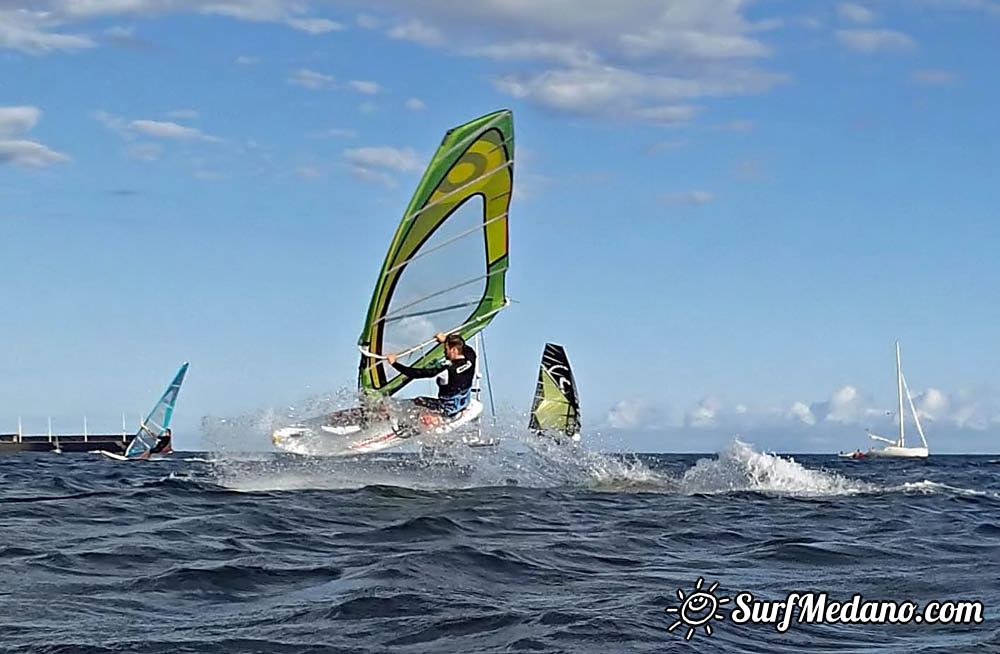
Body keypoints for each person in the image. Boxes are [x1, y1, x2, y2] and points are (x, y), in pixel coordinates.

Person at [387, 332, 476, 425]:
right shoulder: (470, 359)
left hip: (447, 409)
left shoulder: (446, 371)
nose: (444, 352)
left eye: (446, 349)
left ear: (453, 350)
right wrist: (445, 340)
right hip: (464, 403)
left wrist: (394, 363)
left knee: (419, 400)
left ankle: (407, 423)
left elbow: (416, 374)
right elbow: (465, 348)